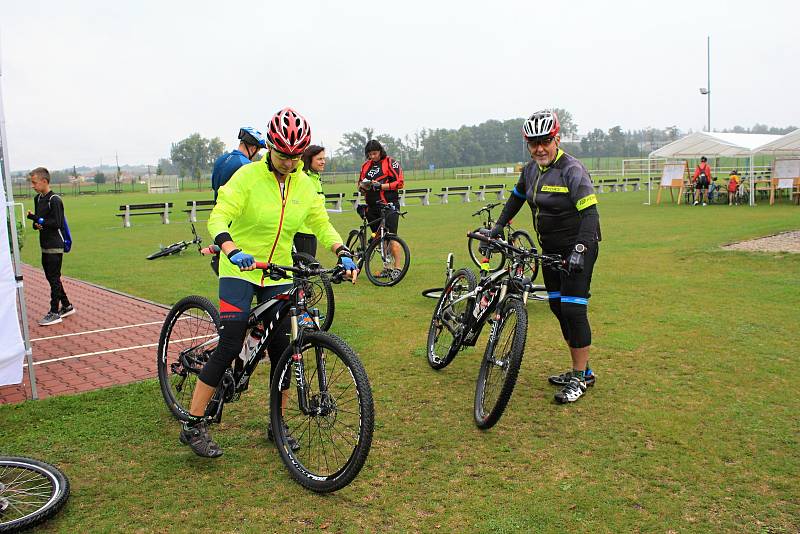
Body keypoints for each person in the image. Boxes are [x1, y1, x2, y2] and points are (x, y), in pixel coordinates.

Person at [179, 108, 358, 458]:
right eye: (282, 155)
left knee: (283, 350)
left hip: (278, 271)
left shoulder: (304, 185)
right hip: (240, 267)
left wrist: (341, 249)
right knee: (230, 342)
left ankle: (277, 424)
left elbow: (319, 222)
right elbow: (220, 214)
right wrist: (230, 247)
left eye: (295, 157)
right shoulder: (247, 178)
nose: (289, 163)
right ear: (270, 147)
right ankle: (193, 422)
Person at [482, 110, 600, 404]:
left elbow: (590, 215)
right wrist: (497, 227)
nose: (539, 148)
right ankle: (582, 369)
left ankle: (580, 377)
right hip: (550, 252)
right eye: (533, 143)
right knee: (558, 308)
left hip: (578, 248)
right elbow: (516, 199)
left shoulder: (573, 169)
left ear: (557, 138)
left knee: (574, 310)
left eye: (545, 141)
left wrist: (580, 251)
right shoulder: (530, 170)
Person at [208, 127, 266, 275]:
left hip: (221, 217)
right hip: (237, 222)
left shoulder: (222, 160)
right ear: (252, 147)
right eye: (257, 151)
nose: (256, 154)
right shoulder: (245, 165)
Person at [26, 168, 74, 326]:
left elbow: (56, 223)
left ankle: (54, 312)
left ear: (44, 181)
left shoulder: (55, 200)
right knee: (51, 277)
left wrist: (36, 218)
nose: (32, 185)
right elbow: (39, 223)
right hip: (44, 244)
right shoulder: (37, 199)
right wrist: (36, 224)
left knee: (53, 278)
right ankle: (66, 306)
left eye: (34, 182)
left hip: (55, 245)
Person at [357, 139, 405, 280]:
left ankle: (397, 268)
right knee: (380, 238)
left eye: (375, 153)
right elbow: (360, 184)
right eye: (370, 154)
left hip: (388, 205)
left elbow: (400, 182)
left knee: (391, 236)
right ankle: (387, 268)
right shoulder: (365, 166)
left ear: (380, 151)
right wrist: (362, 188)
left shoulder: (391, 162)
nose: (373, 156)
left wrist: (381, 186)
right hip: (372, 207)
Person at [293, 145, 326, 257]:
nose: (323, 162)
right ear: (309, 159)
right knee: (303, 270)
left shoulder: (315, 178)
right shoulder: (304, 179)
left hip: (312, 231)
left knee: (308, 269)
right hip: (302, 232)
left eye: (323, 159)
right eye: (319, 159)